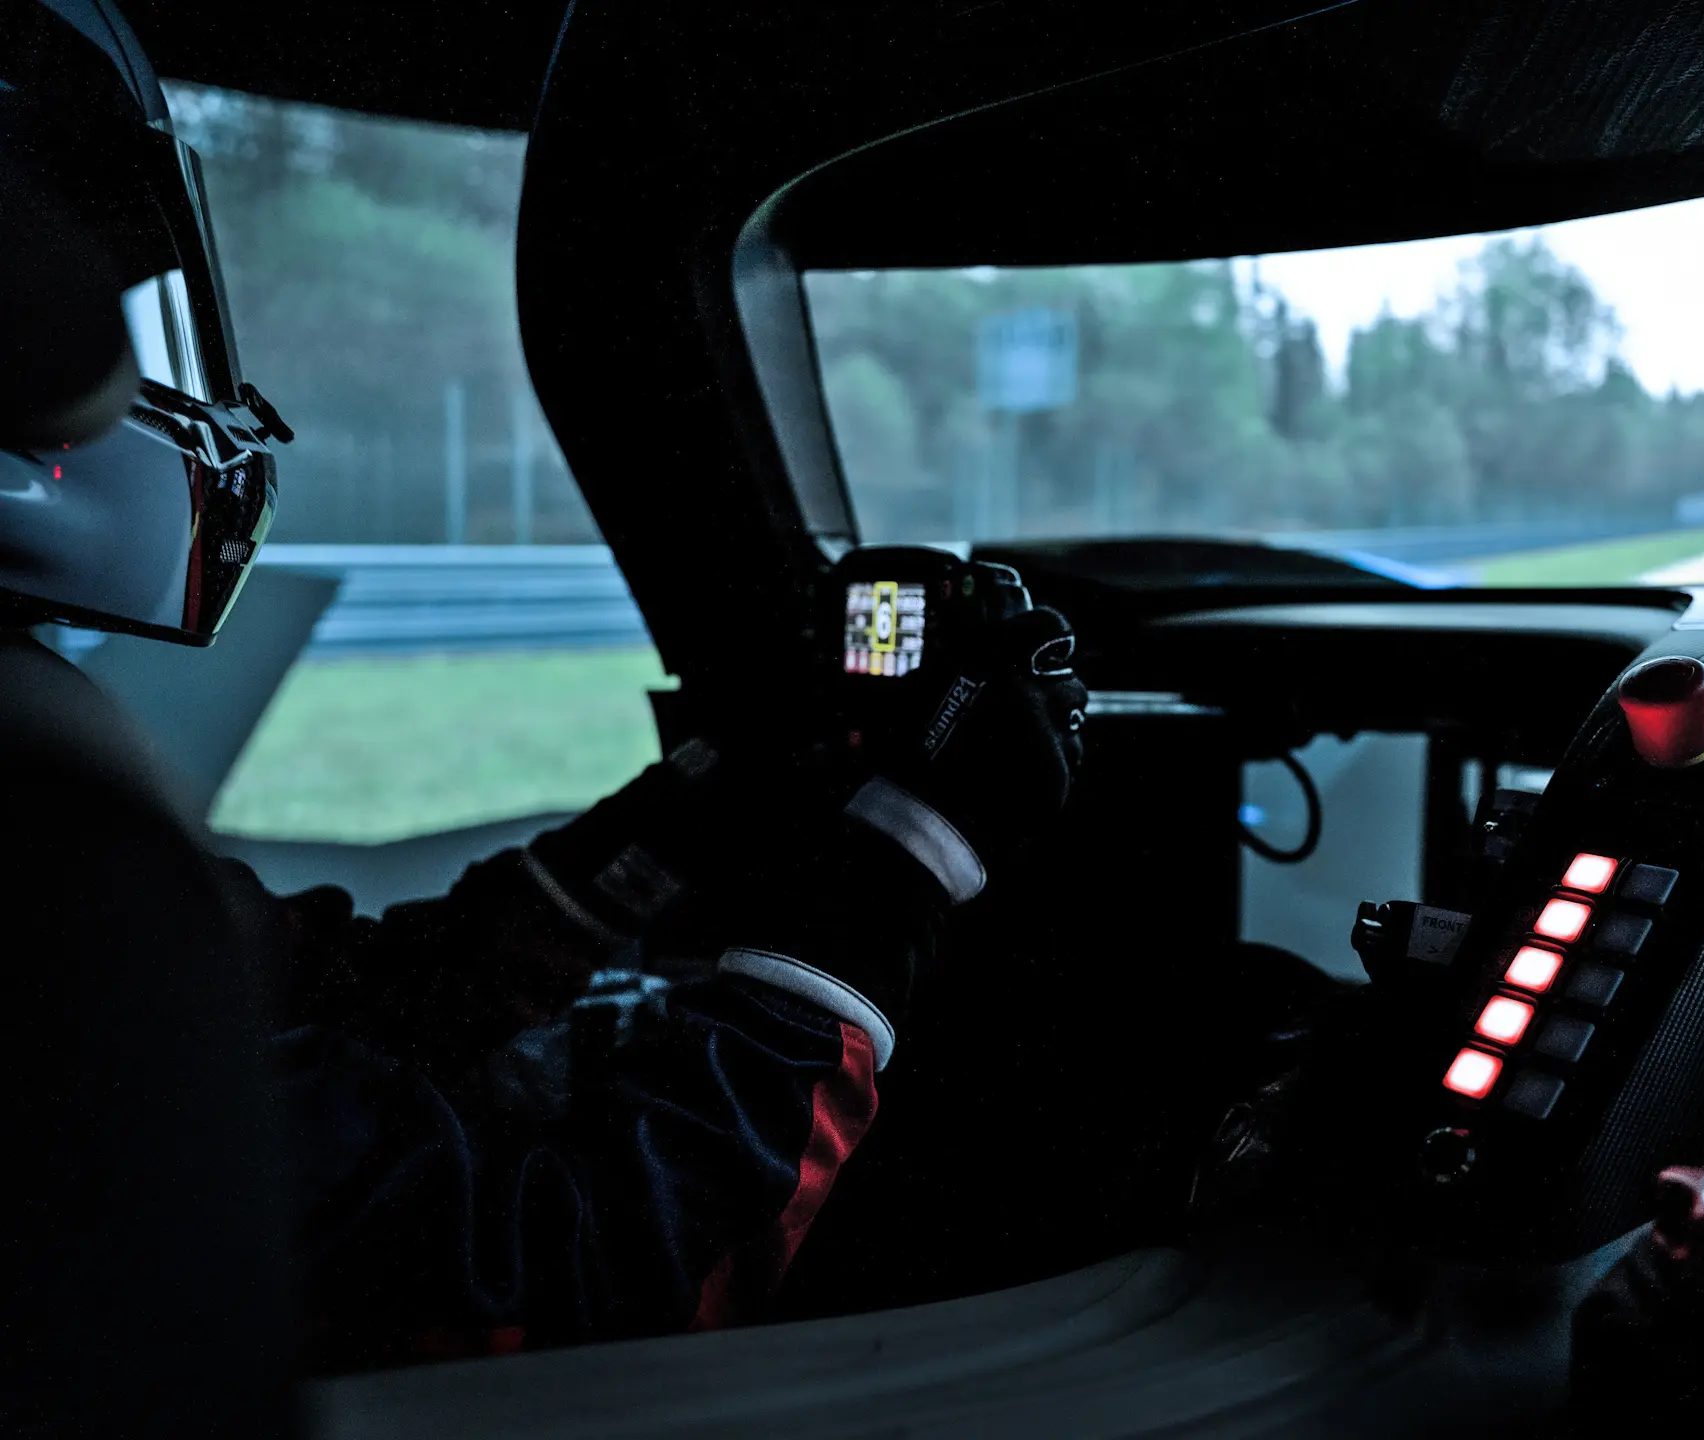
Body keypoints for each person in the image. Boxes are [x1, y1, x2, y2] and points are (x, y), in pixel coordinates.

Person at [0, 0, 1088, 1393]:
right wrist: (906, 865)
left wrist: (687, 810)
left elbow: (346, 1007)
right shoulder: (26, 854)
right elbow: (573, 1283)